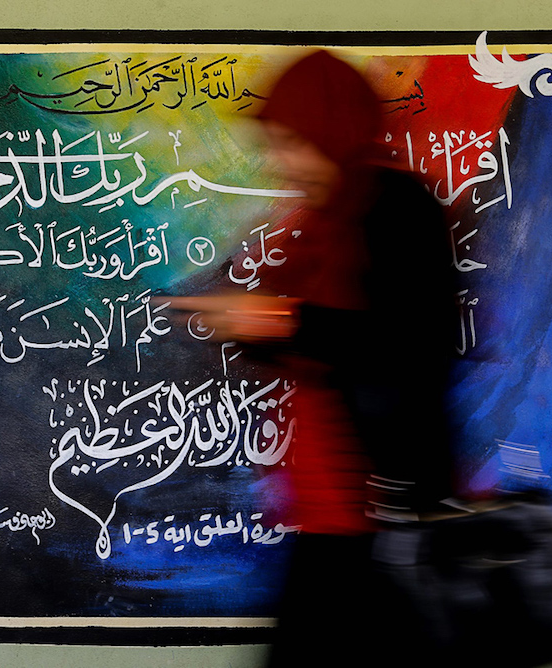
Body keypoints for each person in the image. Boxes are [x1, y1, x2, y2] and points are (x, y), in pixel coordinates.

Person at [173, 50, 459, 664]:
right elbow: (323, 346)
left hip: (383, 510)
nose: (281, 163)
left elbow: (405, 342)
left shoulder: (397, 207)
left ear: (332, 132)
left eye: (293, 143)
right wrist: (245, 325)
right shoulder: (325, 220)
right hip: (331, 510)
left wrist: (281, 319)